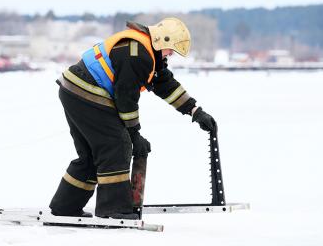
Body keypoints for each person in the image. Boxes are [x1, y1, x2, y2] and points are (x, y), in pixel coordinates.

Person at [49, 17, 217, 220]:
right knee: (117, 146)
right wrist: (134, 134)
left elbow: (165, 84)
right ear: (161, 40)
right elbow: (126, 97)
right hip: (87, 93)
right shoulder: (137, 54)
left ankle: (66, 207)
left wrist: (195, 111)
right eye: (171, 49)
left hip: (75, 91)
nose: (171, 54)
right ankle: (113, 209)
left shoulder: (147, 52)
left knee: (92, 156)